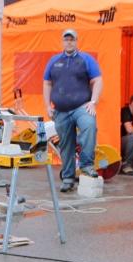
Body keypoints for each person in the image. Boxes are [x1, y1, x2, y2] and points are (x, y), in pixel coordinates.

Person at [43, 28, 103, 193]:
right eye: (66, 39)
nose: (69, 42)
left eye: (72, 39)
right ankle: (68, 178)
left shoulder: (86, 59)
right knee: (66, 144)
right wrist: (48, 106)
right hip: (60, 110)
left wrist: (93, 101)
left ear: (77, 41)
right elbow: (47, 83)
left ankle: (87, 165)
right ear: (62, 42)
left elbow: (97, 80)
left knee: (89, 125)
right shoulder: (54, 61)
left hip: (81, 107)